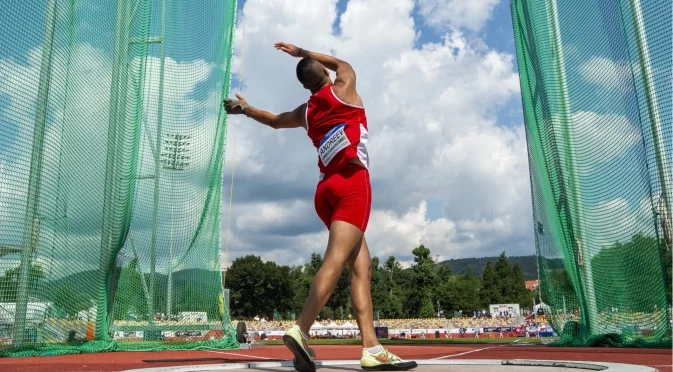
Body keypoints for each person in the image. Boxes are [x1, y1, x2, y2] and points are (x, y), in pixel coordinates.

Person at [224, 43, 417, 372]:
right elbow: (344, 61)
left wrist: (245, 110)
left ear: (304, 86)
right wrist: (300, 51)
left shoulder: (306, 112)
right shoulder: (344, 88)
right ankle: (301, 329)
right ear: (326, 74)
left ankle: (371, 347)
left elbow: (274, 120)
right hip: (352, 185)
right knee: (336, 261)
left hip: (325, 192)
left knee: (362, 269)